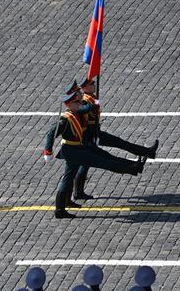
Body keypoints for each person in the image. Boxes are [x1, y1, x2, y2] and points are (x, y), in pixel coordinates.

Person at [43, 89, 145, 218]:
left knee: (68, 177)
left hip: (77, 149)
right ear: (69, 104)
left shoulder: (76, 112)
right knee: (101, 162)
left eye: (79, 101)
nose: (79, 103)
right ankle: (133, 168)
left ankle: (63, 206)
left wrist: (95, 103)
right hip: (72, 151)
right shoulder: (64, 120)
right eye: (76, 102)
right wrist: (48, 151)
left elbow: (87, 108)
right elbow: (51, 133)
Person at [72, 77, 159, 200]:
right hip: (91, 135)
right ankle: (78, 192)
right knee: (86, 163)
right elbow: (82, 112)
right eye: (91, 84)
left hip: (96, 132)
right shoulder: (86, 101)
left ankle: (147, 152)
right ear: (85, 87)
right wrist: (93, 106)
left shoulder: (90, 98)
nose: (94, 85)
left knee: (119, 143)